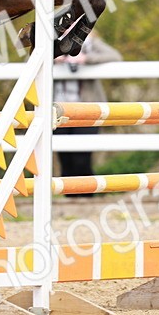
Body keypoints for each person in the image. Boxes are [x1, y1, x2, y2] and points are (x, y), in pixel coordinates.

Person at [53, 31, 122, 194]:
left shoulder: (91, 43)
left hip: (86, 110)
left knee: (82, 156)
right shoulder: (52, 44)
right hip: (58, 111)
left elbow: (114, 56)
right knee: (64, 157)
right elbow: (31, 61)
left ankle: (86, 194)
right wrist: (54, 58)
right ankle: (69, 195)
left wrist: (85, 59)